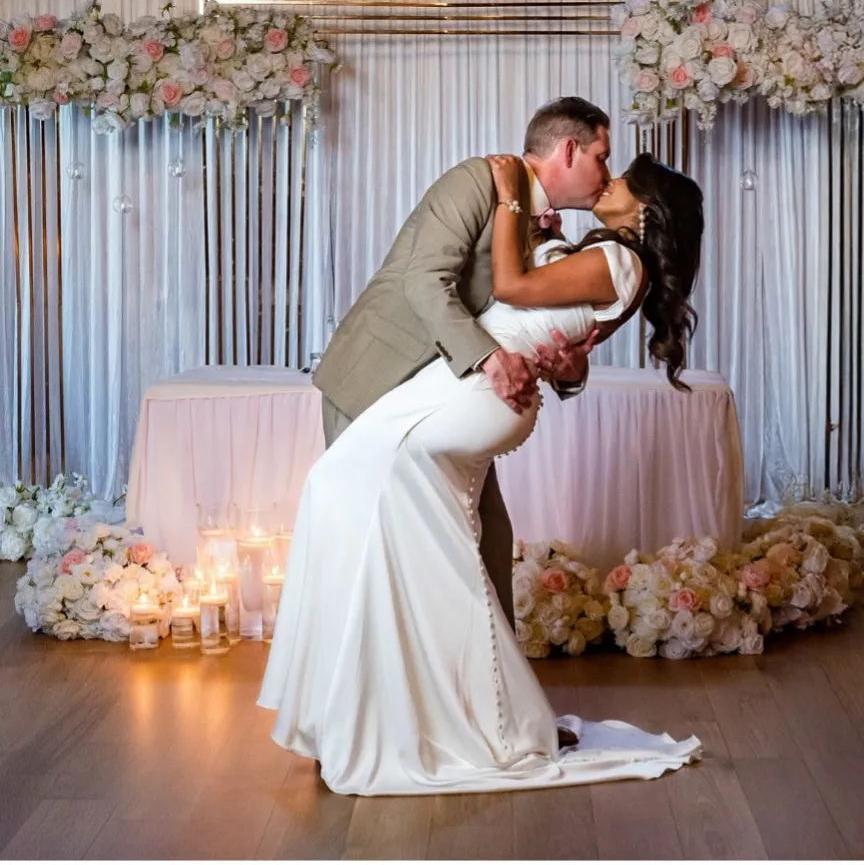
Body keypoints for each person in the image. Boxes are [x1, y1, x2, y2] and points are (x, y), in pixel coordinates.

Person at [258, 146, 707, 795]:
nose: (604, 180)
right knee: (416, 535)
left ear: (644, 209)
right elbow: (565, 348)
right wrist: (541, 249)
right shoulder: (607, 257)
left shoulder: (615, 260)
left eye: (618, 180)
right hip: (470, 387)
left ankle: (429, 718)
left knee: (359, 503)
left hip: (476, 393)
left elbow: (509, 289)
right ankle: (415, 711)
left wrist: (509, 202)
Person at [311, 97, 611, 626]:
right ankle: (368, 691)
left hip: (448, 398)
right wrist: (492, 359)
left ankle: (483, 689)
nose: (606, 175)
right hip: (378, 379)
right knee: (368, 540)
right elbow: (424, 281)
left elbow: (542, 331)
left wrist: (570, 370)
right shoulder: (477, 180)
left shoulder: (550, 235)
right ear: (569, 149)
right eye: (601, 157)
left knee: (485, 531)